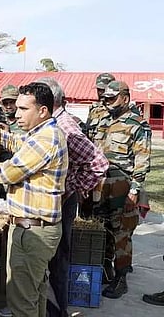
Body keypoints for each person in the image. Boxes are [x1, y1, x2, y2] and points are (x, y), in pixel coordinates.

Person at [0, 82, 68, 317]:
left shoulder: (45, 139)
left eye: (23, 109)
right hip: (35, 228)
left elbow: (8, 173)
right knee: (36, 293)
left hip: (33, 232)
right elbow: (14, 142)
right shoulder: (40, 134)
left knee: (21, 301)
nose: (16, 114)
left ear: (42, 111)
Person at [38, 77, 109, 317]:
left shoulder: (65, 127)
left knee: (56, 257)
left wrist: (73, 188)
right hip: (53, 199)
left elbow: (99, 163)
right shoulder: (51, 124)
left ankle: (57, 310)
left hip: (59, 201)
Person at [92, 81, 151, 299]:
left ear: (125, 98)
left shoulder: (137, 124)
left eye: (112, 98)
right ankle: (106, 269)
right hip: (101, 183)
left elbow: (142, 161)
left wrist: (134, 191)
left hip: (123, 184)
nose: (107, 102)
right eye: (105, 98)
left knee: (122, 233)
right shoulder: (104, 121)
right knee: (103, 228)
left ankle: (121, 278)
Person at [85, 72, 115, 140]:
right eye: (99, 90)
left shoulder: (121, 110)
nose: (100, 93)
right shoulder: (94, 110)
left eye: (104, 90)